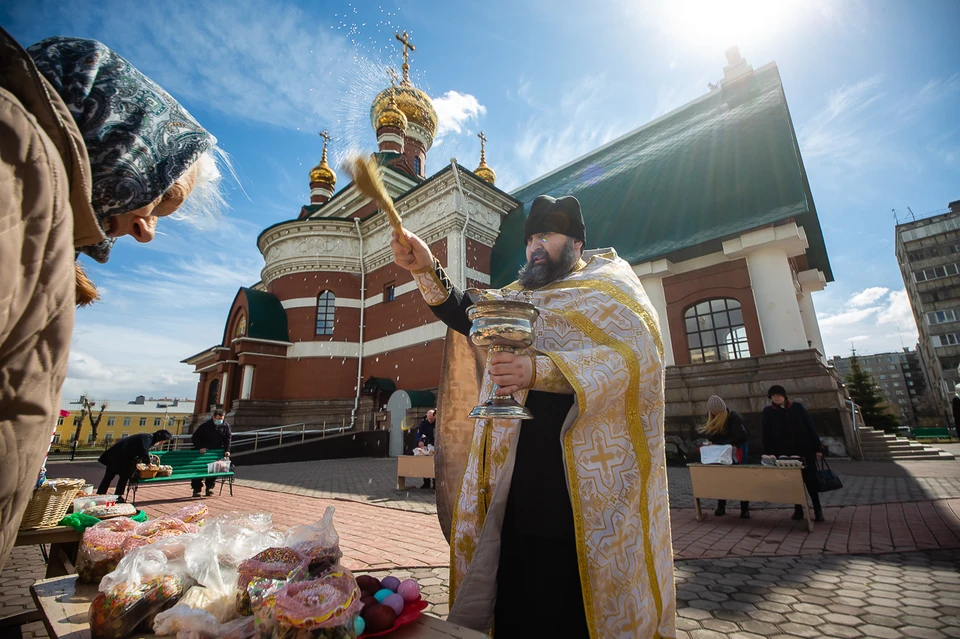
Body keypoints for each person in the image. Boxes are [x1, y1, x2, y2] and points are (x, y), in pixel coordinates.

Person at [390, 195, 675, 638]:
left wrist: (539, 370)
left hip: (581, 491)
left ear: (577, 243)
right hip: (517, 483)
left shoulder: (611, 288)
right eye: (530, 240)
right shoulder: (521, 295)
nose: (535, 247)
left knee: (570, 606)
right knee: (518, 595)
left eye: (547, 236)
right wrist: (426, 269)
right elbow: (472, 316)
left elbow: (636, 357)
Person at [0, 29, 226, 570]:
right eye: (156, 200)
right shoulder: (21, 173)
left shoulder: (35, 188)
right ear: (122, 145)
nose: (146, 232)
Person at [762, 384, 826, 522]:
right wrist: (768, 452)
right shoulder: (768, 411)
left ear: (784, 396)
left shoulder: (797, 407)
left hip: (804, 451)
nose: (776, 398)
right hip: (784, 453)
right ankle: (798, 509)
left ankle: (817, 509)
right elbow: (766, 433)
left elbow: (810, 427)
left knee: (811, 482)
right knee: (793, 483)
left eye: (778, 395)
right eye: (773, 396)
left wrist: (818, 448)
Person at [698, 395, 750, 519]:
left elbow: (738, 437)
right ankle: (721, 505)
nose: (713, 413)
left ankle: (745, 508)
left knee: (742, 477)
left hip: (738, 447)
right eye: (712, 411)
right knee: (722, 476)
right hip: (723, 448)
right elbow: (712, 434)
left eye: (716, 411)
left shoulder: (733, 417)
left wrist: (719, 443)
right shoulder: (711, 416)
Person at [96, 430, 173, 500]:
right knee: (119, 476)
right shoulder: (148, 438)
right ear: (160, 438)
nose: (162, 443)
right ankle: (110, 496)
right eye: (163, 441)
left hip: (118, 457)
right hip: (119, 457)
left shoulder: (148, 438)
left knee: (115, 476)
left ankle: (105, 495)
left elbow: (140, 450)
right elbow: (143, 450)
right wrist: (148, 464)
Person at [191, 408, 232, 497]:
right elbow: (195, 437)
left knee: (213, 470)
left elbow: (227, 439)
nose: (220, 421)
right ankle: (196, 489)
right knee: (199, 470)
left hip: (215, 452)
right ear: (213, 417)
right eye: (218, 419)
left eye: (221, 419)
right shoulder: (205, 426)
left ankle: (209, 487)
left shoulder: (225, 426)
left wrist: (227, 450)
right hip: (203, 452)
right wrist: (200, 447)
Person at [417, 410, 437, 488]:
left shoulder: (438, 422)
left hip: (436, 444)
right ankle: (426, 482)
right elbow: (419, 433)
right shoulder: (423, 423)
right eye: (429, 419)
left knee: (435, 464)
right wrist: (419, 441)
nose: (430, 421)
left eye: (432, 419)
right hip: (426, 444)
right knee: (425, 463)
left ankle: (435, 483)